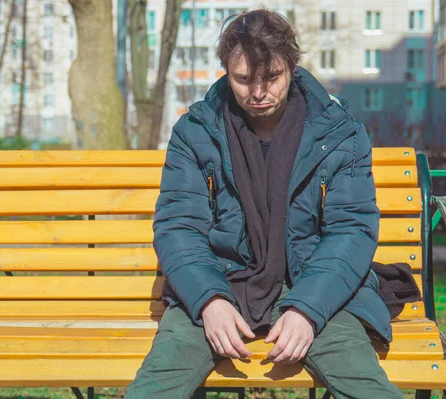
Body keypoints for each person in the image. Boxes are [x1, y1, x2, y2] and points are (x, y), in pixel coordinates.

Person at [124, 9, 404, 399]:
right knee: (155, 389)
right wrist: (208, 301)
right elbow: (178, 227)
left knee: (368, 390)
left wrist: (307, 308)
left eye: (271, 77)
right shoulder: (195, 132)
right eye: (242, 79)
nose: (258, 93)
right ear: (225, 70)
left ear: (291, 65)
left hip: (312, 285)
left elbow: (351, 230)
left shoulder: (341, 133)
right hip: (218, 283)